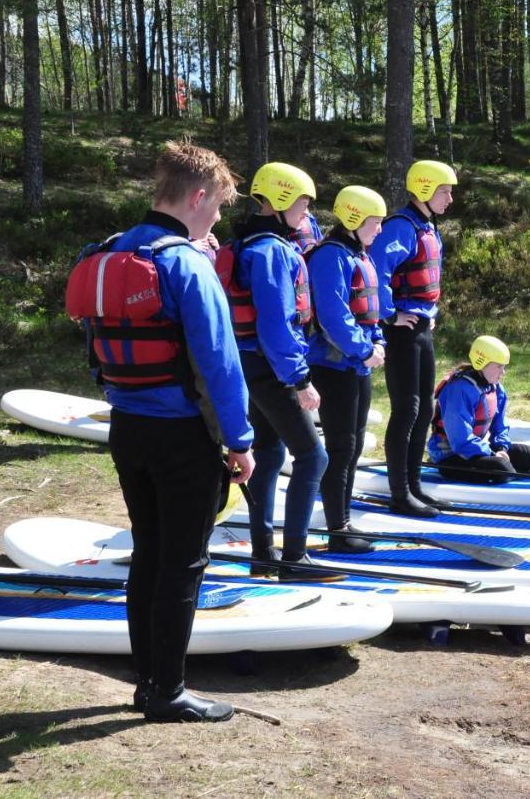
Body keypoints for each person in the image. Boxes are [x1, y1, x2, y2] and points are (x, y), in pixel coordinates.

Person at [64, 140, 254, 723]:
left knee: (149, 555)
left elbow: (98, 349)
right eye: (219, 204)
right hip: (181, 439)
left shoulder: (111, 250)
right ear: (197, 197)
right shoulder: (186, 264)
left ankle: (148, 683)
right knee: (182, 563)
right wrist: (240, 441)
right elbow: (220, 364)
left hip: (128, 429)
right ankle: (167, 693)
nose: (219, 216)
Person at [215, 162, 329, 579]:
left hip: (245, 366)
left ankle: (262, 557)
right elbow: (276, 325)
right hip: (270, 368)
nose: (306, 212)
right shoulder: (273, 251)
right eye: (302, 202)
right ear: (280, 201)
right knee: (313, 456)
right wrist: (299, 380)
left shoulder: (241, 244)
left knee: (266, 454)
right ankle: (294, 558)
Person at [368, 159, 457, 517]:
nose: (450, 198)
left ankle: (415, 484)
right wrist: (390, 314)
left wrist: (429, 315)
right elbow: (375, 270)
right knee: (407, 410)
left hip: (421, 328)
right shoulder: (401, 227)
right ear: (423, 189)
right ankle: (399, 493)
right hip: (402, 332)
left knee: (425, 409)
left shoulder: (426, 226)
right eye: (445, 191)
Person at [307, 185, 389, 551]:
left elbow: (373, 311)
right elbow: (333, 315)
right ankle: (337, 528)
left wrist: (378, 343)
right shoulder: (331, 256)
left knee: (353, 447)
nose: (380, 229)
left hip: (358, 367)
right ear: (355, 219)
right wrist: (364, 349)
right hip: (333, 368)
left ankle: (344, 521)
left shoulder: (360, 254)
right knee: (341, 447)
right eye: (375, 221)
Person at [427, 335, 530, 484]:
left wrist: (501, 448)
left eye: (504, 366)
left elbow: (500, 427)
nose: (503, 372)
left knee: (529, 455)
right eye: (499, 366)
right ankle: (506, 474)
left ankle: (507, 472)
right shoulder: (459, 390)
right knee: (501, 467)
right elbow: (460, 439)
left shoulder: (496, 388)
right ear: (482, 363)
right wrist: (491, 454)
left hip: (476, 449)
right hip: (450, 453)